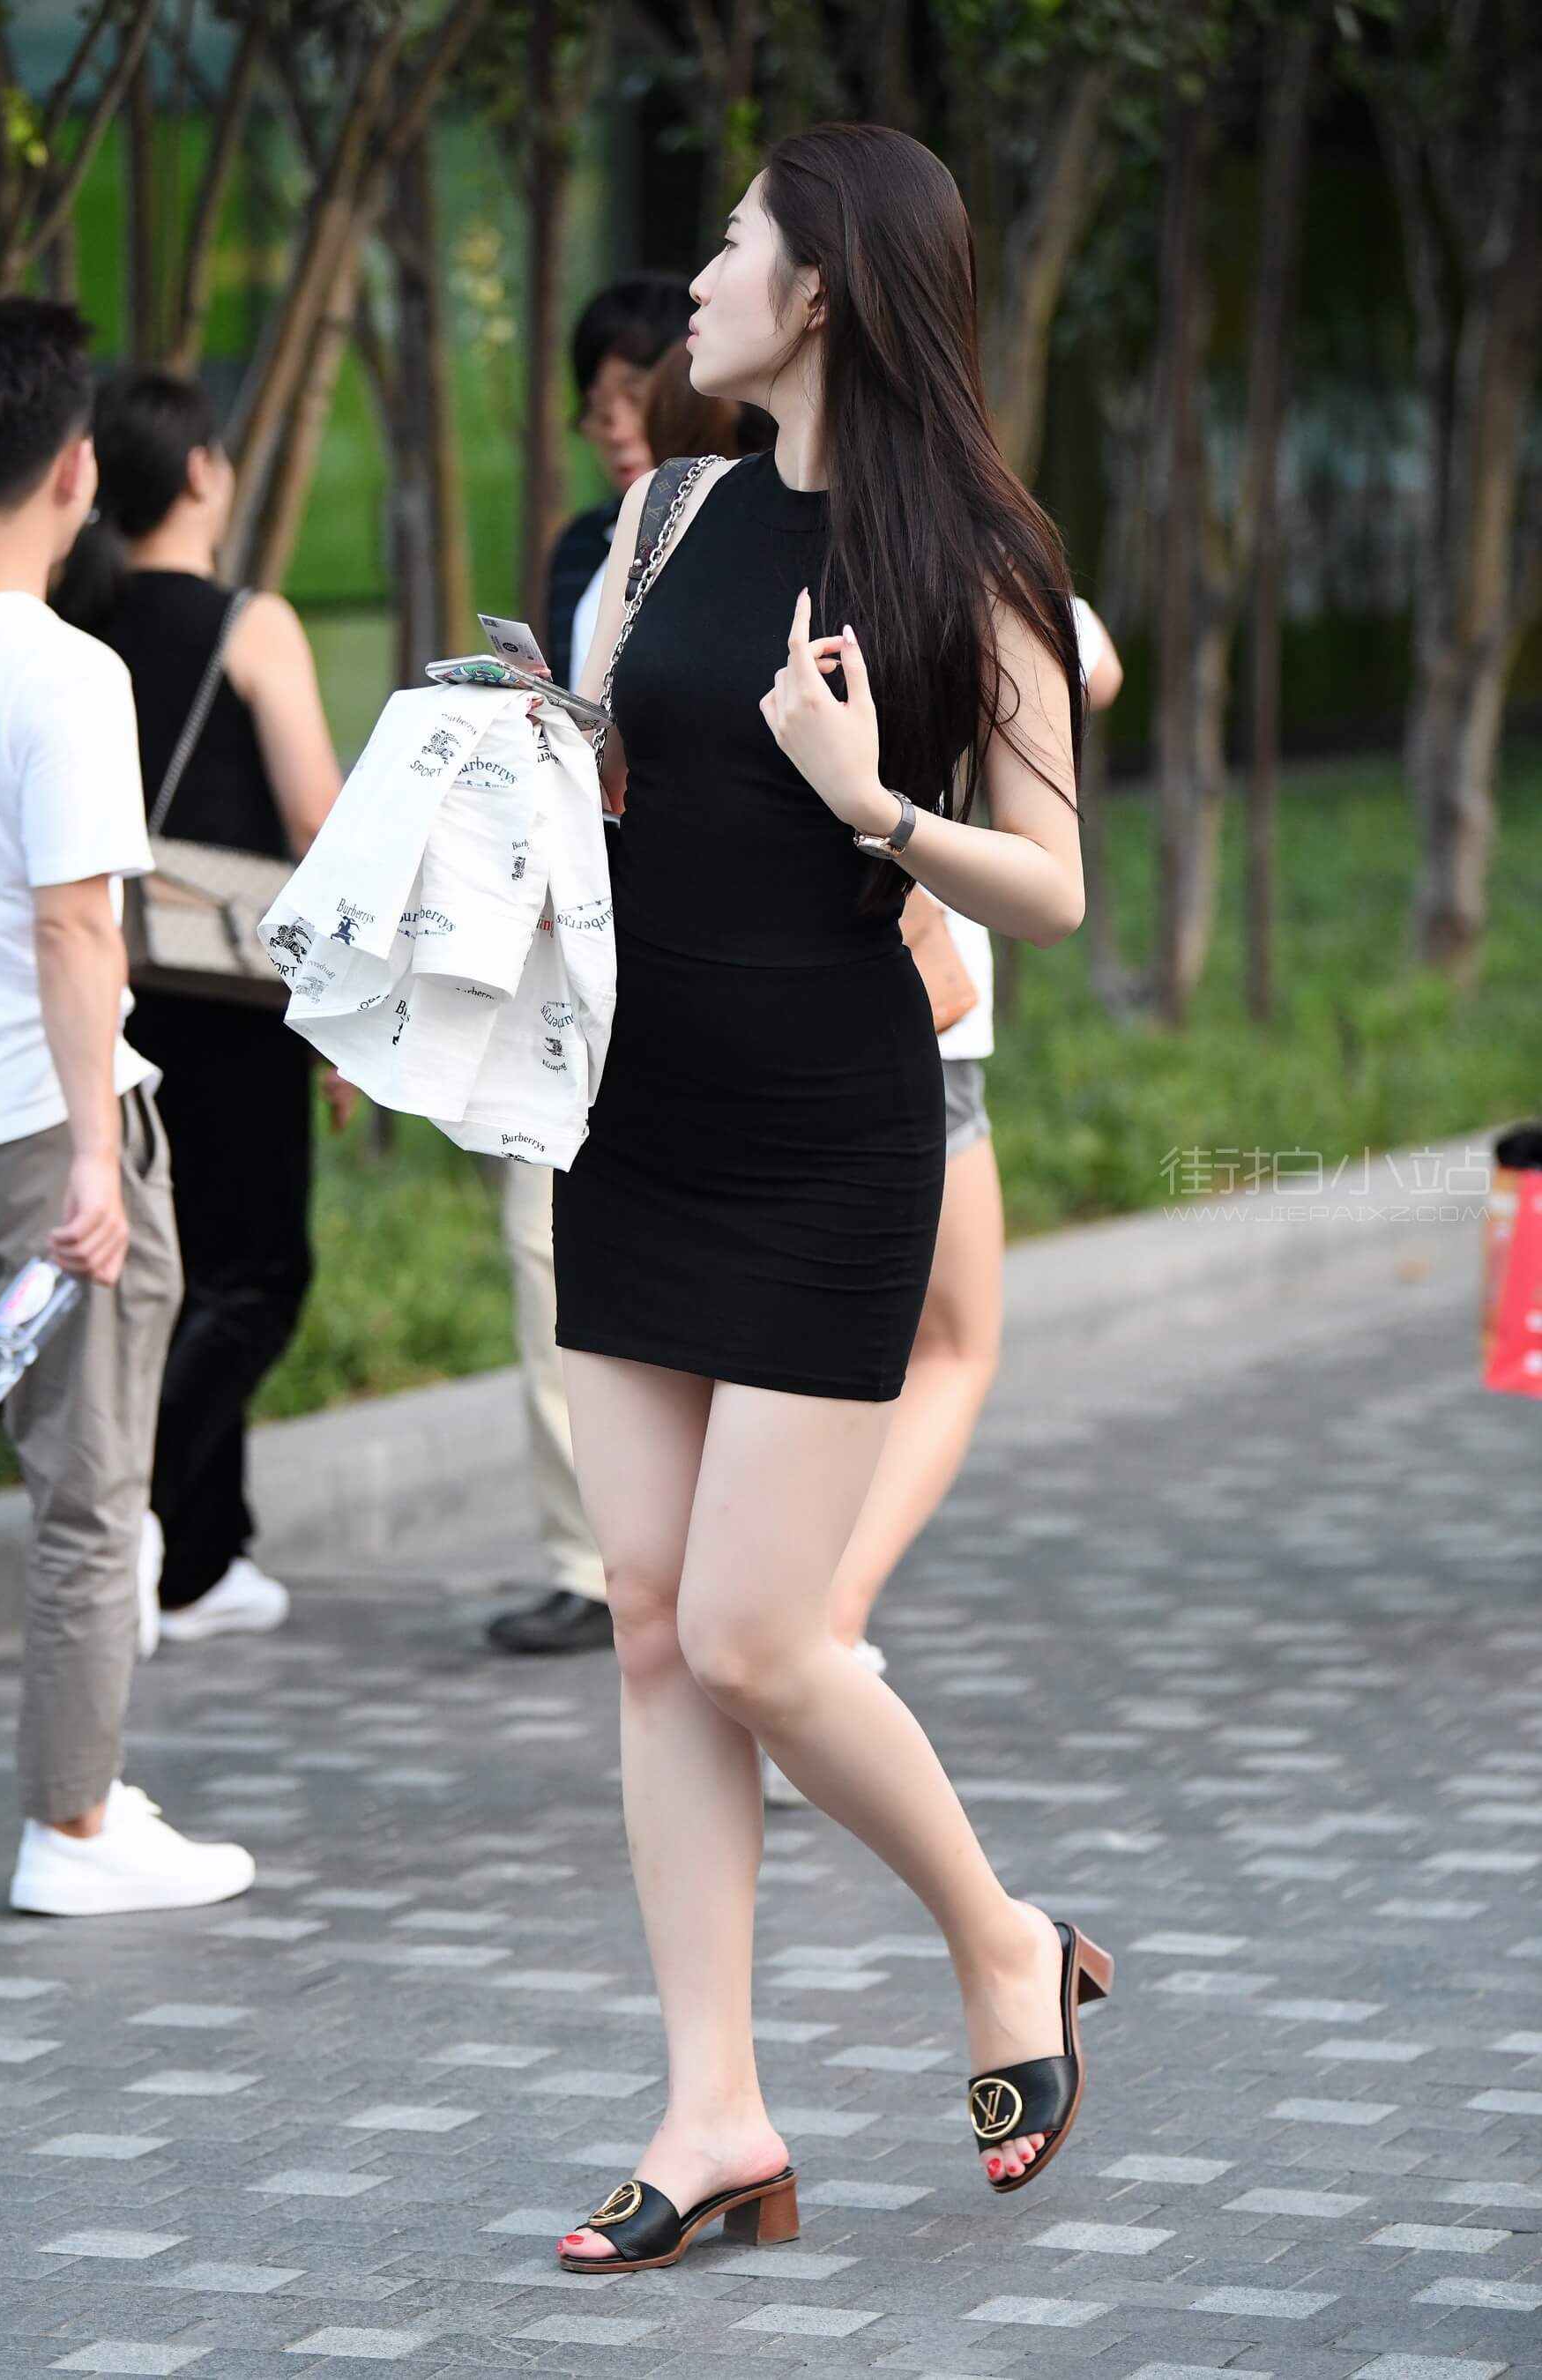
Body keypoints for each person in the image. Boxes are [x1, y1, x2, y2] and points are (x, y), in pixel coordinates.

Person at [548, 124, 1112, 2275]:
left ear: (819, 294)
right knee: (650, 1620)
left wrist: (877, 808)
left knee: (762, 1635)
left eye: (731, 245)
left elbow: (1051, 885)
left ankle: (1002, 1939)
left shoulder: (976, 556)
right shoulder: (667, 512)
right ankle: (715, 2112)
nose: (692, 280)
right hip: (637, 1112)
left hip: (825, 1137)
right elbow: (634, 777)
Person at [0, 296, 254, 1915]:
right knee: (86, 1497)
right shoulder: (67, 674)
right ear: (75, 471)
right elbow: (79, 929)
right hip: (37, 1127)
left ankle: (82, 1809)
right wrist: (94, 1153)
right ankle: (72, 1829)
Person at [762, 594, 1124, 1806]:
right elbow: (1094, 667)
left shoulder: (647, 552)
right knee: (952, 1344)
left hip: (708, 1006)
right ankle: (817, 1639)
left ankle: (770, 1640)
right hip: (902, 1000)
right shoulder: (955, 558)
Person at [59, 369, 345, 1646]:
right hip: (232, 985)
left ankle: (201, 1559)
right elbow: (317, 823)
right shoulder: (251, 621)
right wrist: (349, 1006)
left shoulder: (74, 615)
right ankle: (133, 1514)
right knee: (259, 1272)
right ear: (199, 472)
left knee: (168, 1272)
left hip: (103, 979)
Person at [485, 273, 697, 1658]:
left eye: (634, 391)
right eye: (594, 399)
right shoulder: (581, 548)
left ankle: (714, 1552)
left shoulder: (751, 530)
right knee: (538, 1238)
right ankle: (593, 1557)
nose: (610, 420)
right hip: (572, 932)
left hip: (704, 941)